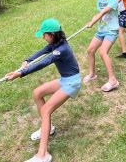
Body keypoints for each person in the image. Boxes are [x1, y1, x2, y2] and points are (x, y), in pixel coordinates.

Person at [5, 18, 81, 162]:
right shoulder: (55, 43)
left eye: (44, 34)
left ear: (52, 34)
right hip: (66, 79)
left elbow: (44, 62)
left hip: (72, 82)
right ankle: (48, 127)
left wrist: (20, 73)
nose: (42, 37)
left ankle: (43, 155)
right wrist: (27, 60)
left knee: (46, 110)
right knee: (37, 93)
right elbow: (42, 52)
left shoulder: (61, 49)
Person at [83, 0, 120, 92]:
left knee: (103, 52)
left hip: (111, 30)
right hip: (102, 30)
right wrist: (92, 19)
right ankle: (92, 74)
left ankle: (113, 80)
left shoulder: (113, 0)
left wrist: (92, 22)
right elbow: (99, 13)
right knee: (90, 50)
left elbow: (104, 12)